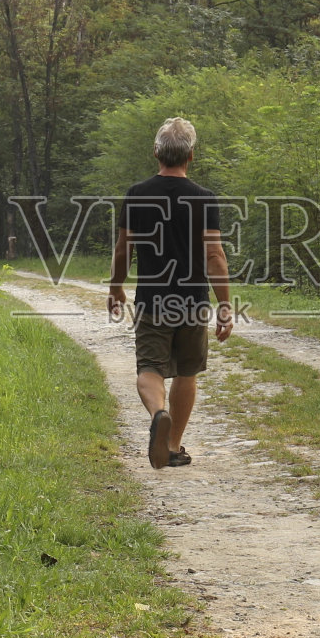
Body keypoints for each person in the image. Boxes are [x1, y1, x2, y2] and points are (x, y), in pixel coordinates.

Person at [108, 117, 233, 469]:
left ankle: (157, 413)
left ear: (156, 153)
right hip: (193, 301)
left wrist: (116, 287)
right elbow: (214, 257)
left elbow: (123, 250)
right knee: (186, 372)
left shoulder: (137, 194)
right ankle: (174, 445)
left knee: (149, 368)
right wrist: (225, 304)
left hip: (153, 300)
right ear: (190, 156)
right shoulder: (204, 199)